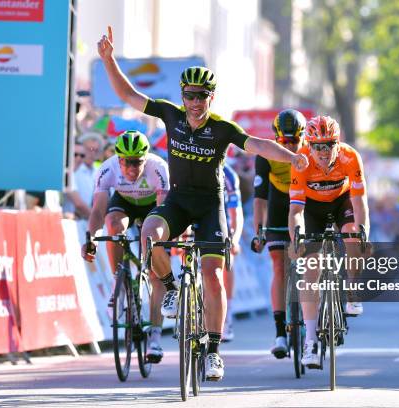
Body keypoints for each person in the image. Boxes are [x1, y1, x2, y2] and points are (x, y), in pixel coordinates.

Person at [97, 26, 307, 381]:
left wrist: (292, 157)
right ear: (183, 96)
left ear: (212, 97)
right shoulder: (171, 115)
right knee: (150, 230)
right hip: (178, 201)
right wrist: (108, 60)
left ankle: (212, 350)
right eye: (191, 95)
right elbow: (129, 95)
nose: (196, 102)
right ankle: (173, 288)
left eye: (203, 96)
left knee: (212, 276)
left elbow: (258, 145)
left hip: (211, 205)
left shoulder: (222, 128)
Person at [288, 116, 370, 368]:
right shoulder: (301, 161)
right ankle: (310, 341)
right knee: (310, 270)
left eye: (328, 145)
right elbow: (295, 210)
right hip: (311, 208)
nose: (323, 152)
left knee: (352, 234)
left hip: (342, 201)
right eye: (317, 146)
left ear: (338, 143)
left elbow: (359, 202)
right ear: (309, 145)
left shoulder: (350, 157)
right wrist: (297, 236)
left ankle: (353, 289)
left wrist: (363, 231)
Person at [81, 130, 169, 363]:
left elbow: (163, 212)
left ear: (146, 158)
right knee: (113, 224)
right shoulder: (107, 169)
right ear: (118, 159)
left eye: (137, 163)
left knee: (155, 272)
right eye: (126, 163)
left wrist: (157, 242)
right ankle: (117, 284)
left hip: (154, 208)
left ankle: (156, 338)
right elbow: (98, 211)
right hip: (124, 203)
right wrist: (91, 237)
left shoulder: (158, 168)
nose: (131, 169)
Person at [251, 109, 306, 358]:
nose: (292, 146)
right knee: (279, 267)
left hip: (305, 204)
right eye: (285, 141)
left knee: (308, 260)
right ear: (276, 138)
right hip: (278, 205)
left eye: (295, 140)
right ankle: (280, 334)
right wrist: (259, 232)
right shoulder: (267, 154)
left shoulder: (311, 152)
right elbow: (260, 199)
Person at [221, 163, 244, 342]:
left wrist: (234, 238)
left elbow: (236, 213)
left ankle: (227, 316)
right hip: (196, 217)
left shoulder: (228, 174)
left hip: (223, 222)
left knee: (227, 261)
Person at [63, 142, 92, 220]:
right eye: (75, 154)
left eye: (82, 155)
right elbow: (79, 204)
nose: (78, 158)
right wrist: (99, 221)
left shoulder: (72, 173)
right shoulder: (66, 173)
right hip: (66, 224)